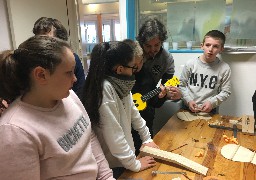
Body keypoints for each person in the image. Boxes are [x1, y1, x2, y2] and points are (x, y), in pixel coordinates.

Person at [0, 35, 115, 180]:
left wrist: (107, 177)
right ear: (41, 75)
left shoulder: (69, 96)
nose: (75, 79)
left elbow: (89, 137)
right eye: (69, 72)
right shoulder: (14, 130)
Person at [82, 41, 159, 178]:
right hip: (112, 163)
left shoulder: (121, 84)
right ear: (120, 69)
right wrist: (135, 164)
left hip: (125, 159)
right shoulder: (105, 88)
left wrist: (147, 138)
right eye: (132, 67)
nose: (134, 71)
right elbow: (114, 136)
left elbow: (134, 114)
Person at [132, 18, 181, 155]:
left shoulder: (167, 59)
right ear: (141, 42)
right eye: (148, 46)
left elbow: (168, 83)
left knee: (146, 139)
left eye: (157, 45)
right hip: (127, 100)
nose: (152, 50)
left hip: (148, 102)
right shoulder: (132, 52)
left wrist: (164, 93)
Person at [179, 30, 231, 114]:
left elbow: (226, 92)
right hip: (187, 107)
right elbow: (181, 85)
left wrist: (212, 102)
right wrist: (188, 101)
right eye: (207, 45)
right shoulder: (190, 64)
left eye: (215, 46)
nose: (210, 49)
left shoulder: (224, 68)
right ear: (202, 46)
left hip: (210, 110)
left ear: (221, 49)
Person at [33, 17, 85, 99]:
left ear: (60, 40)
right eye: (38, 37)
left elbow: (80, 89)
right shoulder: (31, 60)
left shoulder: (73, 59)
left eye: (47, 39)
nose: (41, 42)